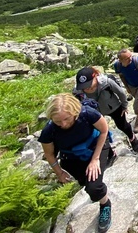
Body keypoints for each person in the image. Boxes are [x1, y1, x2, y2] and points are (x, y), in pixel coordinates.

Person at [39, 93, 114, 233]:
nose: (63, 124)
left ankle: (105, 204)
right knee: (85, 182)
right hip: (72, 158)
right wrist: (59, 172)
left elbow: (104, 130)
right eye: (58, 121)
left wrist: (95, 159)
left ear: (75, 112)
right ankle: (97, 190)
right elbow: (49, 154)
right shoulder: (49, 131)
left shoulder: (87, 114)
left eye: (67, 119)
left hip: (95, 146)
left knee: (93, 187)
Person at [73, 66, 138, 152]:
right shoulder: (78, 91)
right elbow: (75, 104)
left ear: (95, 76)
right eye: (84, 86)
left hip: (113, 107)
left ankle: (132, 138)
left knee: (122, 125)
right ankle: (108, 151)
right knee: (100, 131)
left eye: (89, 84)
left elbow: (120, 92)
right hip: (94, 112)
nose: (87, 88)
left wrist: (124, 105)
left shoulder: (106, 82)